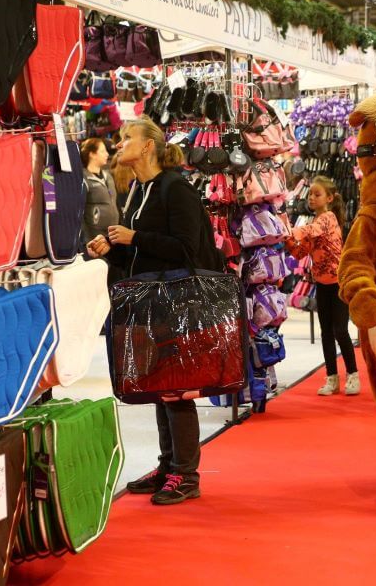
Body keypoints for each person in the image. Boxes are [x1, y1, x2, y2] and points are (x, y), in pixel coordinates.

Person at [86, 116, 224, 505]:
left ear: (148, 146)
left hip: (175, 301)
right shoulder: (138, 191)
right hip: (148, 301)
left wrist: (135, 237)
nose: (119, 144)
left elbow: (187, 249)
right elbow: (142, 247)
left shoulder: (175, 188)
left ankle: (186, 474)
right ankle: (170, 466)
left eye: (127, 138)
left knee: (176, 388)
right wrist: (113, 246)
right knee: (159, 387)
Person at [284, 176, 360, 397]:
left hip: (338, 283)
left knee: (340, 330)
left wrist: (290, 231)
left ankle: (353, 374)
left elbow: (309, 231)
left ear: (329, 198)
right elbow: (299, 253)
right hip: (321, 284)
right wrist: (285, 240)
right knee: (326, 332)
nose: (312, 198)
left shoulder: (328, 219)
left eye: (317, 194)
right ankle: (332, 377)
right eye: (310, 194)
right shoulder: (315, 223)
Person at [80, 137, 119, 243]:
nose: (107, 154)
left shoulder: (108, 176)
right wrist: (87, 239)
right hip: (94, 238)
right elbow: (79, 212)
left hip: (112, 235)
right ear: (92, 154)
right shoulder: (83, 179)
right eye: (102, 151)